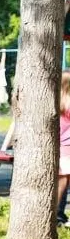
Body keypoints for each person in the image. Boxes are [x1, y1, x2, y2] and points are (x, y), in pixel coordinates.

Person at [57, 72, 70, 228]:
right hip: (67, 147)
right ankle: (57, 214)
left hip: (59, 146)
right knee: (63, 182)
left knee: (62, 182)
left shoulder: (57, 103)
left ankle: (58, 214)